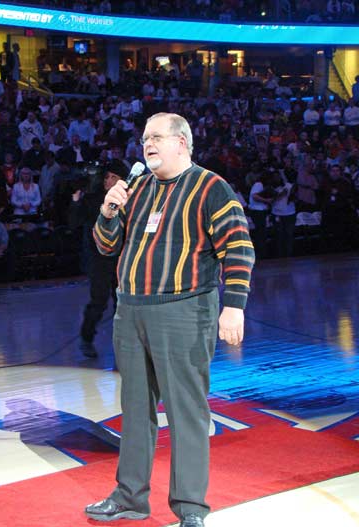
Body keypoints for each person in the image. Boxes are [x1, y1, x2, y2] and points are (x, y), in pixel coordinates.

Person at [86, 113, 255, 527]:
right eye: (144, 137)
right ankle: (130, 496)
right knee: (135, 407)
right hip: (131, 311)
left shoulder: (211, 187)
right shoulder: (138, 187)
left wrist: (233, 305)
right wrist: (108, 213)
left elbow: (239, 246)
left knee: (187, 411)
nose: (147, 144)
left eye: (156, 137)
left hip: (184, 311)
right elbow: (106, 247)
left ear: (181, 142)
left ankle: (191, 509)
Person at [69, 159, 129, 357]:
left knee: (123, 303)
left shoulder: (130, 199)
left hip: (122, 258)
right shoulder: (92, 199)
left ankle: (123, 344)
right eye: (107, 177)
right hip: (99, 259)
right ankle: (86, 338)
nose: (108, 181)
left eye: (114, 177)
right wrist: (76, 203)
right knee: (99, 301)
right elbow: (74, 223)